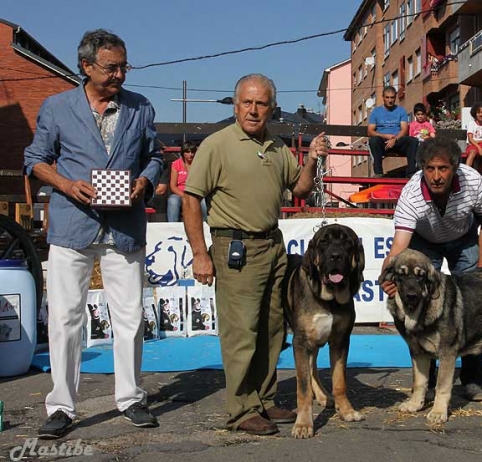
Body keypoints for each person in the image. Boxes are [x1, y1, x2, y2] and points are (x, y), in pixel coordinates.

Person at [23, 29, 163, 439]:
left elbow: (153, 156)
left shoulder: (140, 108)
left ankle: (131, 398)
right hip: (72, 224)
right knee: (65, 318)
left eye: (124, 66)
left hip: (124, 225)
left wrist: (144, 182)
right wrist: (66, 185)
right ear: (85, 67)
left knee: (130, 317)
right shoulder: (56, 107)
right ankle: (61, 406)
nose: (120, 74)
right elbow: (36, 160)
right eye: (111, 67)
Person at [182, 74, 329, 436]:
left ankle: (263, 399)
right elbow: (190, 199)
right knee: (241, 332)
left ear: (271, 108)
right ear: (235, 106)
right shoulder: (217, 144)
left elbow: (300, 188)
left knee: (274, 328)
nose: (253, 109)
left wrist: (310, 159)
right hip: (235, 248)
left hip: (273, 246)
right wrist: (200, 253)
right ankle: (241, 409)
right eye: (246, 102)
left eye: (260, 103)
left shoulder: (278, 148)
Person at [381, 137, 482, 402]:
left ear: (454, 167)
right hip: (425, 244)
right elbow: (399, 248)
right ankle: (428, 384)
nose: (436, 176)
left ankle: (472, 380)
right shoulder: (410, 195)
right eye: (430, 169)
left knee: (472, 308)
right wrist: (387, 277)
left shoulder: (473, 182)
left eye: (443, 169)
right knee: (421, 308)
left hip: (465, 239)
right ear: (421, 168)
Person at [367, 86, 419, 178]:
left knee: (413, 141)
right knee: (374, 140)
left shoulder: (401, 110)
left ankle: (411, 173)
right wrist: (385, 136)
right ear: (383, 97)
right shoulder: (376, 112)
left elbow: (404, 129)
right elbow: (370, 131)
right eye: (387, 97)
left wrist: (394, 139)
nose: (390, 100)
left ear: (395, 98)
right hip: (383, 142)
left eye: (392, 97)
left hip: (397, 140)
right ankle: (379, 173)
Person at [167, 140, 200, 222]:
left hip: (196, 192)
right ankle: (173, 227)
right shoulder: (176, 164)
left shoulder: (199, 164)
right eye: (187, 152)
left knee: (202, 203)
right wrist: (184, 195)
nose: (190, 154)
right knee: (173, 201)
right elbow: (173, 186)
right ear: (183, 152)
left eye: (192, 152)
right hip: (180, 193)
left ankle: (205, 228)